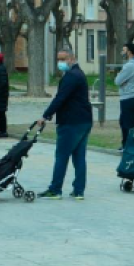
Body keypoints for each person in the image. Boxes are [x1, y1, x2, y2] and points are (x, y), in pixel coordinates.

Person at [36, 50, 93, 200]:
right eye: (59, 59)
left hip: (71, 122)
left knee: (62, 156)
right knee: (79, 156)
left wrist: (45, 115)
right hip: (84, 120)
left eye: (63, 59)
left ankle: (55, 189)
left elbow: (60, 98)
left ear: (72, 58)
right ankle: (79, 191)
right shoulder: (79, 74)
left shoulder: (72, 76)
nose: (60, 62)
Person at [115, 43, 134, 150]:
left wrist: (120, 76)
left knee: (126, 123)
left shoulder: (129, 66)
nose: (122, 53)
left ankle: (129, 145)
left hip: (128, 96)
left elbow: (117, 81)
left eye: (124, 50)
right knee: (127, 121)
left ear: (129, 52)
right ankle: (127, 144)